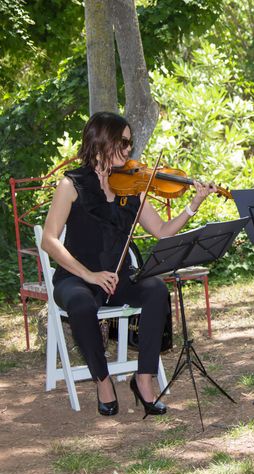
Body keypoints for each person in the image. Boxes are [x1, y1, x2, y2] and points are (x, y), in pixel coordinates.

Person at [41, 111, 218, 417]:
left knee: (155, 291)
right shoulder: (72, 184)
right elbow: (49, 240)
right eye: (123, 142)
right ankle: (103, 379)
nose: (128, 148)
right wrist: (90, 275)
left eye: (129, 142)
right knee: (81, 304)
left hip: (118, 277)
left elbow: (162, 231)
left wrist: (193, 205)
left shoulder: (133, 186)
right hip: (76, 277)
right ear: (101, 140)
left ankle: (144, 378)